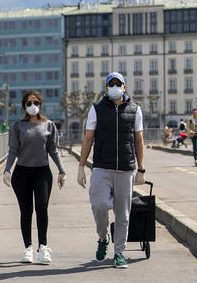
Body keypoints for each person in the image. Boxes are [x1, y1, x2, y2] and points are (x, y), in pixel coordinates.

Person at [77, 72, 146, 269]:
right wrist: (81, 167)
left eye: (119, 84)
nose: (115, 87)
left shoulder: (135, 109)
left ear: (125, 87)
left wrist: (141, 169)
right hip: (101, 166)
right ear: (106, 88)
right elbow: (88, 138)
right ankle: (103, 236)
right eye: (111, 84)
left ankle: (119, 253)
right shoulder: (97, 109)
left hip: (125, 168)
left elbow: (139, 140)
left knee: (123, 213)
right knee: (99, 204)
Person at [3, 90, 65, 265]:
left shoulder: (49, 125)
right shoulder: (17, 127)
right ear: (24, 106)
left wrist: (62, 171)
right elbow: (13, 151)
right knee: (26, 210)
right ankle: (28, 248)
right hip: (22, 173)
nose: (33, 106)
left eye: (36, 103)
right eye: (29, 103)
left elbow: (53, 150)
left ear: (40, 105)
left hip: (42, 173)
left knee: (42, 208)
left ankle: (43, 247)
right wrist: (7, 170)